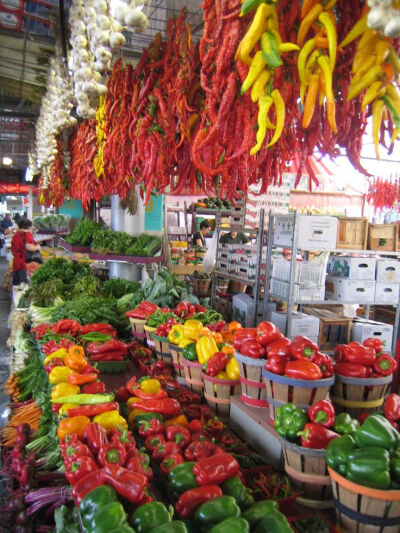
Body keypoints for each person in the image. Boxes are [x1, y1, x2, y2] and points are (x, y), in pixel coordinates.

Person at [11, 218, 41, 286]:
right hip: (24, 263)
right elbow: (29, 247)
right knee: (24, 285)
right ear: (29, 226)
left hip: (16, 262)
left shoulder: (15, 235)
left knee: (17, 284)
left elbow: (13, 250)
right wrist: (38, 247)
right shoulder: (27, 234)